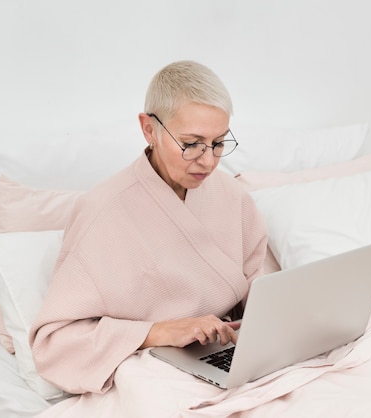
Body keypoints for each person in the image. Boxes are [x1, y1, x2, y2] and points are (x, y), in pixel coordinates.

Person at [29, 61, 269, 394]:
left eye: (218, 143)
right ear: (149, 129)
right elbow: (55, 342)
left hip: (232, 354)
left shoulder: (232, 195)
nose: (208, 161)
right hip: (149, 366)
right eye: (191, 143)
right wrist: (158, 332)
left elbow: (261, 288)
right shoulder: (101, 212)